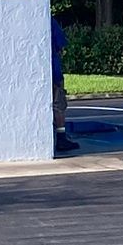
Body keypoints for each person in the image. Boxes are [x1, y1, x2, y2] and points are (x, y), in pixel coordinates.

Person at [50, 15, 77, 155]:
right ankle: (61, 137)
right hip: (54, 72)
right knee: (58, 104)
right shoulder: (50, 21)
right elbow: (60, 44)